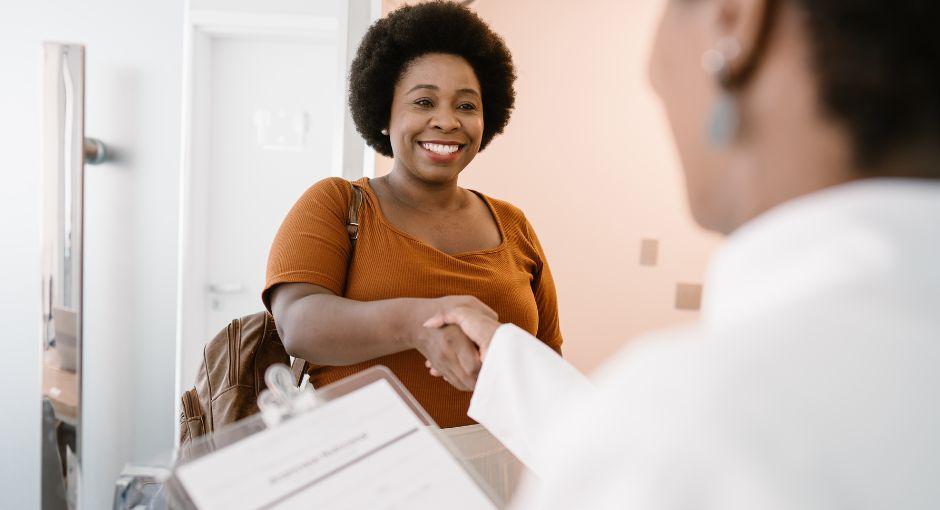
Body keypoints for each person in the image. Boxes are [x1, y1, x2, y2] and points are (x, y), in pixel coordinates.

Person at [423, 0, 940, 507]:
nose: (652, 73)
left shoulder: (689, 432)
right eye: (423, 102)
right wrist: (503, 361)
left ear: (735, 18)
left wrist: (636, 436)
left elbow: (671, 453)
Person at [263, 2, 562, 500]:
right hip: (364, 476)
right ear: (384, 112)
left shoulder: (513, 225)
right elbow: (299, 325)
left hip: (497, 481)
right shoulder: (337, 204)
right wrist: (420, 324)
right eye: (424, 102)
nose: (447, 121)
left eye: (466, 105)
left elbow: (546, 356)